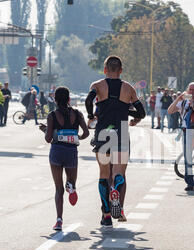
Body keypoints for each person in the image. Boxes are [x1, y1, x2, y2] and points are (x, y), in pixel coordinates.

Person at [85, 55, 146, 228]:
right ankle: (116, 189)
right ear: (121, 71)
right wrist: (127, 111)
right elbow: (141, 113)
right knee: (118, 173)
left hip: (103, 133)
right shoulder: (128, 88)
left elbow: (89, 100)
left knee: (104, 173)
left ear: (105, 69)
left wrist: (90, 115)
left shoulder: (97, 85)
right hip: (121, 133)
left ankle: (105, 215)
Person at [39, 86, 89, 231]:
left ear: (55, 99)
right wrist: (75, 137)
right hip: (71, 151)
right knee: (71, 180)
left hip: (56, 152)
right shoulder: (77, 114)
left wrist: (45, 130)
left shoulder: (52, 115)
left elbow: (48, 139)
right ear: (68, 99)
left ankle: (59, 221)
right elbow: (86, 133)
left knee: (58, 189)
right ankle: (71, 186)